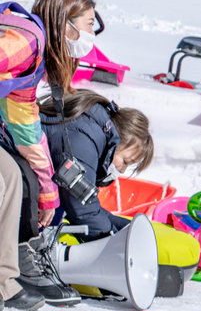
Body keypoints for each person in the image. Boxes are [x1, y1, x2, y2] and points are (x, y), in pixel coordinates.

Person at [1, 0, 102, 306]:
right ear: (66, 22)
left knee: (15, 178)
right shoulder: (25, 40)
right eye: (89, 23)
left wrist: (47, 188)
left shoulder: (35, 54)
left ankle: (4, 280)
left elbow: (26, 127)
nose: (91, 33)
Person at [39, 90, 154, 239]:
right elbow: (81, 208)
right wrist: (113, 238)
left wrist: (124, 227)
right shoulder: (84, 138)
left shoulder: (92, 128)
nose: (122, 170)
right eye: (125, 161)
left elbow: (89, 204)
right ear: (117, 142)